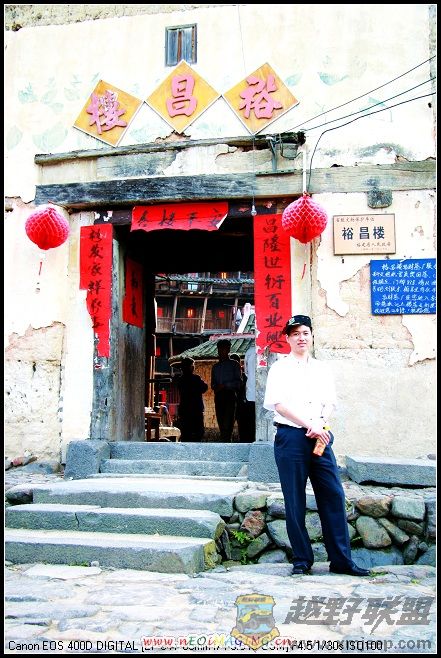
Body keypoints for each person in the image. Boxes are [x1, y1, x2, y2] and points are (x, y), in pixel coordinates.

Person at [263, 315, 371, 577]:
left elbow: (329, 402)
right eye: (295, 333)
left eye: (305, 333)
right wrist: (308, 424)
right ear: (288, 338)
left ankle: (341, 560)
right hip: (291, 437)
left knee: (333, 494)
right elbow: (279, 405)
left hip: (320, 436)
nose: (301, 338)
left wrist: (320, 423)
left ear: (312, 336)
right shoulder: (279, 368)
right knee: (294, 498)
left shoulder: (322, 369)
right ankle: (302, 560)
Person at [211, 339, 242, 442]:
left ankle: (228, 443)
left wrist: (225, 385)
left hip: (230, 396)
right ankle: (224, 443)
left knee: (228, 424)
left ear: (228, 350)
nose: (221, 351)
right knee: (221, 423)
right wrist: (217, 387)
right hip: (219, 397)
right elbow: (212, 384)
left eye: (223, 349)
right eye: (219, 349)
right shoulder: (215, 367)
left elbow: (239, 383)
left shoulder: (234, 364)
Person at [175, 357, 208, 442]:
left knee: (186, 435)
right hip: (196, 410)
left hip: (184, 411)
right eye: (192, 366)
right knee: (198, 434)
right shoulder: (196, 378)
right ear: (191, 367)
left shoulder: (180, 380)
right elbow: (204, 388)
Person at [229, 353, 247, 442]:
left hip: (240, 404)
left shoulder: (244, 376)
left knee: (242, 426)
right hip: (234, 403)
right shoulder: (242, 376)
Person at [243, 343, 256, 441]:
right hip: (265, 394)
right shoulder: (273, 350)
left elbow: (246, 372)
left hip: (251, 393)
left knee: (251, 422)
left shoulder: (250, 352)